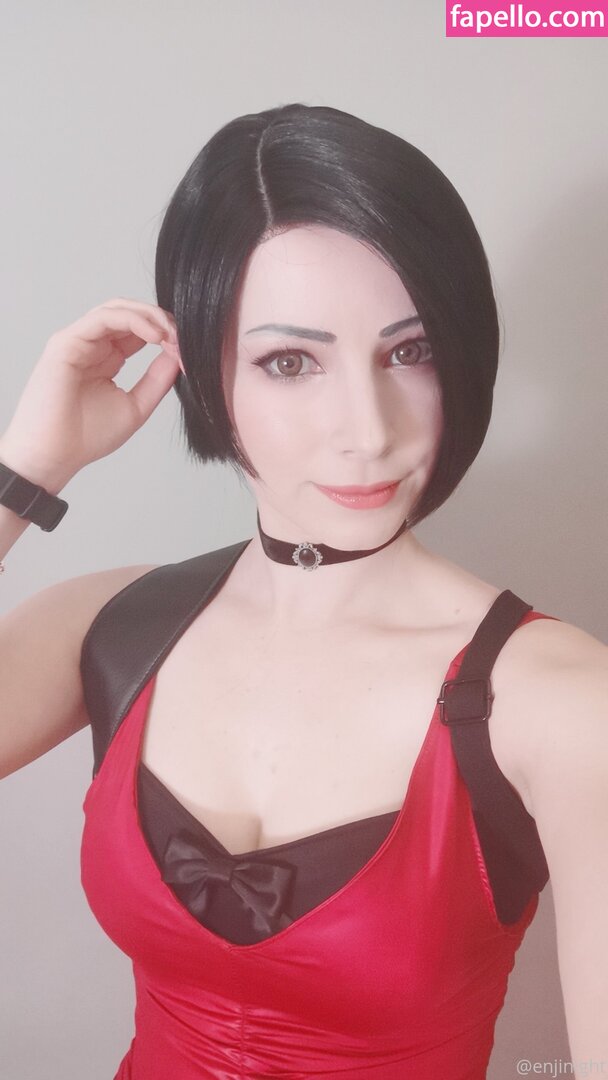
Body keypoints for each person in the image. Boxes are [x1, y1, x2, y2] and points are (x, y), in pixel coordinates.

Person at [0, 103, 605, 1080]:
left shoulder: (562, 701)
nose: (367, 430)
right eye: (290, 362)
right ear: (203, 372)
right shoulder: (114, 628)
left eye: (408, 351)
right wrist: (25, 470)